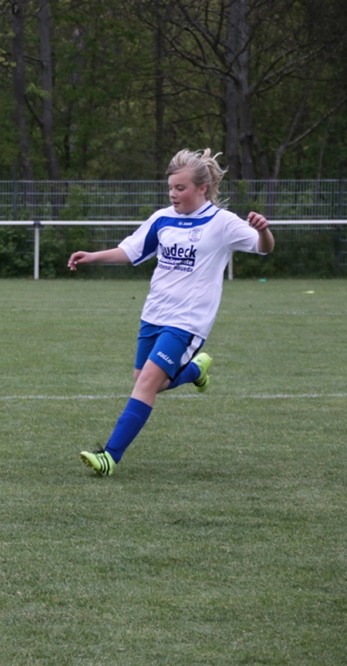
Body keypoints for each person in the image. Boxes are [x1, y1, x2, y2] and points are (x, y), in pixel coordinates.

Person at [68, 148, 275, 476]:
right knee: (145, 381)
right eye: (170, 188)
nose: (173, 194)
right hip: (154, 313)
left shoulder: (221, 223)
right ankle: (194, 372)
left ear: (202, 188)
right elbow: (131, 251)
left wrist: (263, 230)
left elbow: (264, 247)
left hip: (187, 321)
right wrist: (93, 257)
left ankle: (109, 456)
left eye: (180, 188)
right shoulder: (163, 218)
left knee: (147, 383)